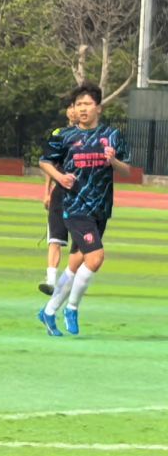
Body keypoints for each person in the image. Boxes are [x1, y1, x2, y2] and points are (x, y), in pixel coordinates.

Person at [35, 82, 140, 338]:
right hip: (75, 207)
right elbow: (44, 162)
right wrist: (60, 178)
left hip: (101, 207)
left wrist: (112, 160)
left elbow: (128, 171)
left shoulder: (112, 135)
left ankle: (48, 311)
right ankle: (71, 308)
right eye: (79, 104)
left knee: (75, 264)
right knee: (95, 258)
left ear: (99, 108)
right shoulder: (64, 136)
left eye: (88, 104)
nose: (83, 109)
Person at [38, 102, 80, 295]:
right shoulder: (59, 134)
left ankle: (74, 280)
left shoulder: (93, 136)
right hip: (60, 192)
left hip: (81, 193)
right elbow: (49, 164)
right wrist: (47, 191)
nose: (72, 111)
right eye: (70, 107)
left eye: (76, 106)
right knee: (55, 237)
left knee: (81, 241)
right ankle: (51, 280)